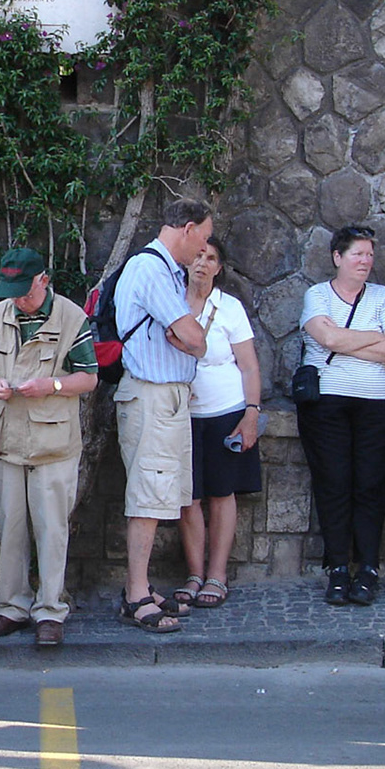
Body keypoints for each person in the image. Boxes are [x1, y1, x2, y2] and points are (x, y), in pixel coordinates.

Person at [0, 249, 97, 648]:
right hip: (6, 436)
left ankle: (50, 610)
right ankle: (11, 607)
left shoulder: (72, 317)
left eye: (24, 291)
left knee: (51, 529)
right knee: (9, 526)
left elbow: (90, 378)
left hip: (53, 441)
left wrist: (52, 385)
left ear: (43, 280)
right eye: (12, 292)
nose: (19, 300)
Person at [112, 197, 216, 633]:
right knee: (147, 497)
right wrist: (190, 338)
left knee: (161, 495)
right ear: (188, 229)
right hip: (151, 397)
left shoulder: (167, 273)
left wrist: (188, 339)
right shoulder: (151, 268)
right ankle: (136, 594)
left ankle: (141, 586)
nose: (203, 251)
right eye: (204, 239)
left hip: (168, 398)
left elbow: (189, 337)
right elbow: (195, 336)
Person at [296, 224, 385, 606]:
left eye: (370, 255)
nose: (366, 261)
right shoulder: (317, 296)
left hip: (379, 403)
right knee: (334, 482)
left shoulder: (382, 296)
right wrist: (375, 337)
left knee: (371, 485)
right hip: (327, 402)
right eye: (358, 254)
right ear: (337, 257)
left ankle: (369, 569)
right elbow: (327, 340)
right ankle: (339, 568)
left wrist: (347, 339)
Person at [176, 238, 261, 609]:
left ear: (219, 267)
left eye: (210, 258)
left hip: (226, 411)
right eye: (197, 255)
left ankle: (217, 574)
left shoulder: (230, 308)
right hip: (180, 413)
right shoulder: (172, 303)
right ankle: (194, 574)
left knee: (222, 494)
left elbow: (249, 365)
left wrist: (252, 413)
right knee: (188, 496)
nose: (202, 263)